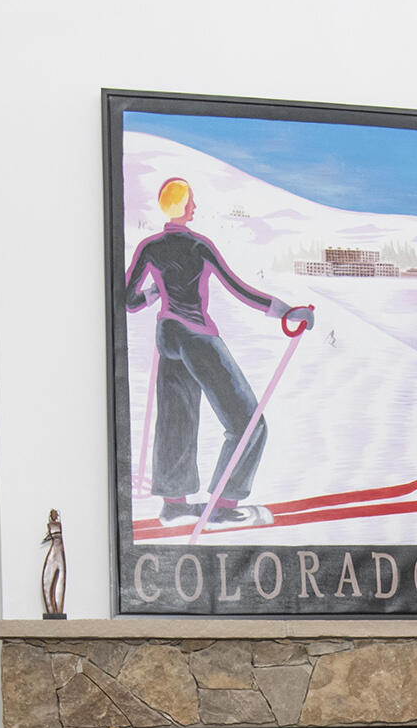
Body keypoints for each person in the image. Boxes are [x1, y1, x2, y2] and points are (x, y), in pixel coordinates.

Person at [122, 177, 314, 529]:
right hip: (197, 336)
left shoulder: (150, 248)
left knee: (176, 419)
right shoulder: (198, 246)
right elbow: (238, 288)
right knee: (248, 422)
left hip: (167, 335)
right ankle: (224, 506)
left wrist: (155, 293)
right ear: (181, 207)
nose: (195, 205)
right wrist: (287, 312)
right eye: (191, 200)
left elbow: (127, 300)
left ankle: (175, 505)